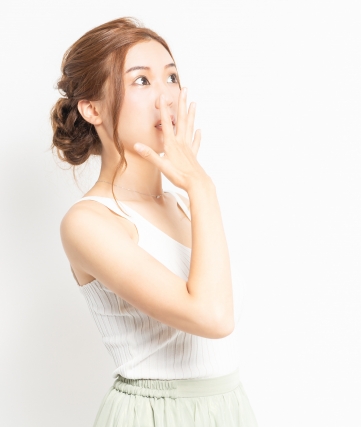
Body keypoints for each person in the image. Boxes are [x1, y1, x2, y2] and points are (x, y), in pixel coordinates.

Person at [51, 17, 259, 427]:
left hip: (228, 408)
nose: (166, 97)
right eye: (142, 81)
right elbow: (213, 316)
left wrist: (196, 192)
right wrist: (202, 186)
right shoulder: (89, 222)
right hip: (152, 414)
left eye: (172, 77)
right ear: (92, 108)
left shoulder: (186, 205)